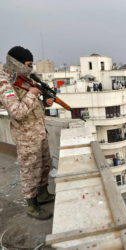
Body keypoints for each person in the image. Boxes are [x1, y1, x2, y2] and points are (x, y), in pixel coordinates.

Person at [0, 46, 55, 220]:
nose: (30, 69)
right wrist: (32, 95)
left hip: (38, 129)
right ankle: (32, 206)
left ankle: (43, 194)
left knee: (45, 163)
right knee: (30, 170)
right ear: (16, 63)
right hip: (25, 134)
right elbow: (16, 111)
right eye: (28, 64)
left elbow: (32, 104)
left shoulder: (21, 77)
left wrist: (45, 101)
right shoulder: (4, 83)